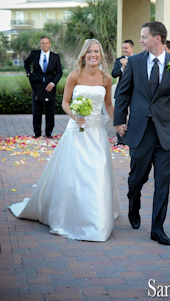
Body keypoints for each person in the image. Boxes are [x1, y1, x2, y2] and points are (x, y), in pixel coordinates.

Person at [10, 39, 121, 242]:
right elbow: (65, 103)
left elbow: (109, 105)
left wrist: (119, 125)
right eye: (90, 52)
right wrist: (74, 115)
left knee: (97, 171)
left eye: (97, 51)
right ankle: (69, 215)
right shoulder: (74, 75)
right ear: (84, 55)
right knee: (74, 174)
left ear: (101, 55)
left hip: (96, 132)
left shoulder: (106, 78)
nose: (93, 55)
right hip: (76, 132)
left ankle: (97, 217)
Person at [114, 21, 170, 245]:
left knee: (162, 182)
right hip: (140, 131)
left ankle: (158, 229)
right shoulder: (135, 62)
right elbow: (123, 94)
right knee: (137, 179)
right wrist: (119, 121)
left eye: (144, 37)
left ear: (157, 39)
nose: (140, 41)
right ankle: (133, 206)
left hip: (166, 131)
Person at [24, 36, 62, 138]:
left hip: (50, 87)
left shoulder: (55, 57)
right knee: (37, 110)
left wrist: (53, 83)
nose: (45, 45)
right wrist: (29, 74)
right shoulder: (34, 54)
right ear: (40, 44)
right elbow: (26, 63)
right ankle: (37, 132)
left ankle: (49, 132)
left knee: (50, 110)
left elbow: (59, 72)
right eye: (43, 43)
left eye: (46, 43)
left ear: (50, 44)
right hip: (37, 85)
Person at [112, 39, 134, 145]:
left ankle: (131, 138)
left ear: (132, 48)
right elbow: (114, 74)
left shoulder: (136, 59)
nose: (124, 50)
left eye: (126, 48)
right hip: (121, 92)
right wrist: (122, 67)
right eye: (123, 48)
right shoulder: (118, 60)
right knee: (119, 114)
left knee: (134, 114)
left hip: (134, 92)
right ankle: (120, 140)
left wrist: (128, 65)